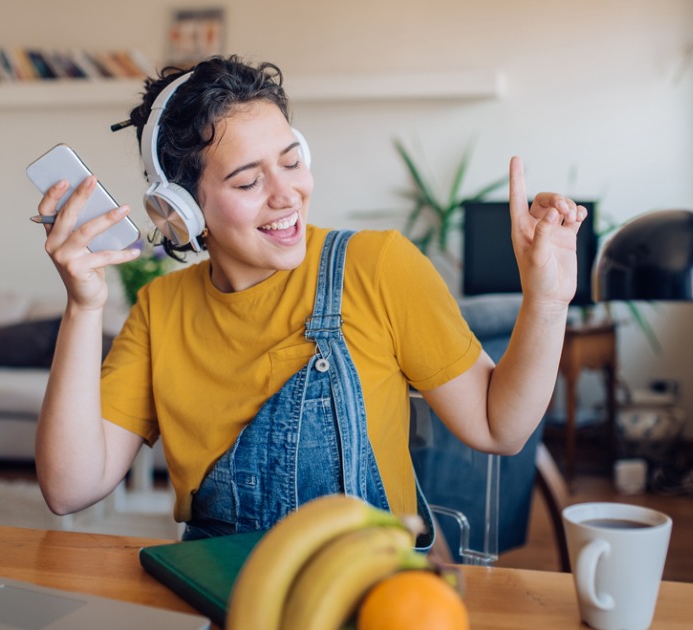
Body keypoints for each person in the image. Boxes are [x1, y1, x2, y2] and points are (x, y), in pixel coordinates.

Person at [33, 55, 586, 544]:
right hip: (222, 596)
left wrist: (548, 299)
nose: (286, 194)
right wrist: (83, 306)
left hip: (370, 595)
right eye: (248, 183)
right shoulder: (160, 311)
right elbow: (68, 488)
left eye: (292, 160)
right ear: (181, 210)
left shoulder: (378, 266)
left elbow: (499, 428)